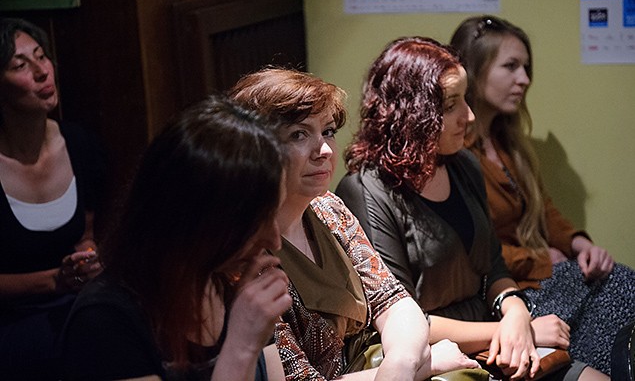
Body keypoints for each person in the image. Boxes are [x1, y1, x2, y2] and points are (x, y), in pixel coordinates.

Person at [336, 37, 608, 380]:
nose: (469, 115)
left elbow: (493, 265)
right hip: (434, 356)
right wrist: (511, 330)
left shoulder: (463, 164)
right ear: (412, 112)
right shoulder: (367, 190)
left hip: (493, 338)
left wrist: (515, 312)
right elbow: (399, 317)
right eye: (452, 104)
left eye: (466, 98)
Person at [229, 68, 480, 381]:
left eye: (328, 132)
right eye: (298, 135)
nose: (324, 150)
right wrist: (423, 367)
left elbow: (394, 301)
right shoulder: (243, 257)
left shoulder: (328, 209)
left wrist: (401, 364)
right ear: (256, 147)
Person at [449, 15, 635, 375]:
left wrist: (579, 244)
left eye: (526, 68)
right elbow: (471, 249)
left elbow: (543, 210)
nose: (524, 79)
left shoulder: (509, 144)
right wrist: (539, 259)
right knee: (617, 294)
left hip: (539, 275)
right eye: (511, 67)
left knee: (621, 282)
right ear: (474, 70)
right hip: (505, 293)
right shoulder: (457, 154)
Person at [61, 97, 292, 380]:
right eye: (254, 223)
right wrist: (242, 346)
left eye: (274, 215)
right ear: (193, 219)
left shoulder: (229, 285)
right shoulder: (105, 318)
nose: (274, 241)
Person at [0, 17, 104, 379]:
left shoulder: (80, 143)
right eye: (19, 65)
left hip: (75, 305)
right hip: (11, 320)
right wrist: (53, 280)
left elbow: (86, 234)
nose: (42, 71)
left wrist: (87, 261)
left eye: (41, 56)